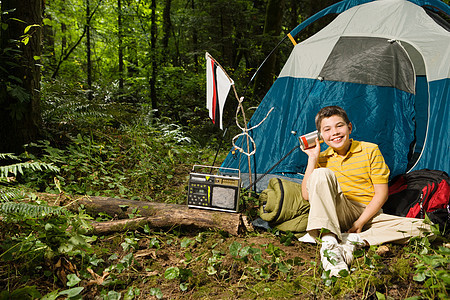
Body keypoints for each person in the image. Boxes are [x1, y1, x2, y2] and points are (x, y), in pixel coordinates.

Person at [300, 105, 432, 277]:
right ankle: (330, 245)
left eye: (339, 126)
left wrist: (359, 223)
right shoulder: (322, 157)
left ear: (349, 127)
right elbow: (307, 195)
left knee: (425, 228)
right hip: (339, 210)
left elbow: (381, 194)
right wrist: (313, 158)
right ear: (321, 136)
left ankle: (352, 239)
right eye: (327, 129)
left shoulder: (370, 150)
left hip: (368, 213)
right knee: (320, 174)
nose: (335, 132)